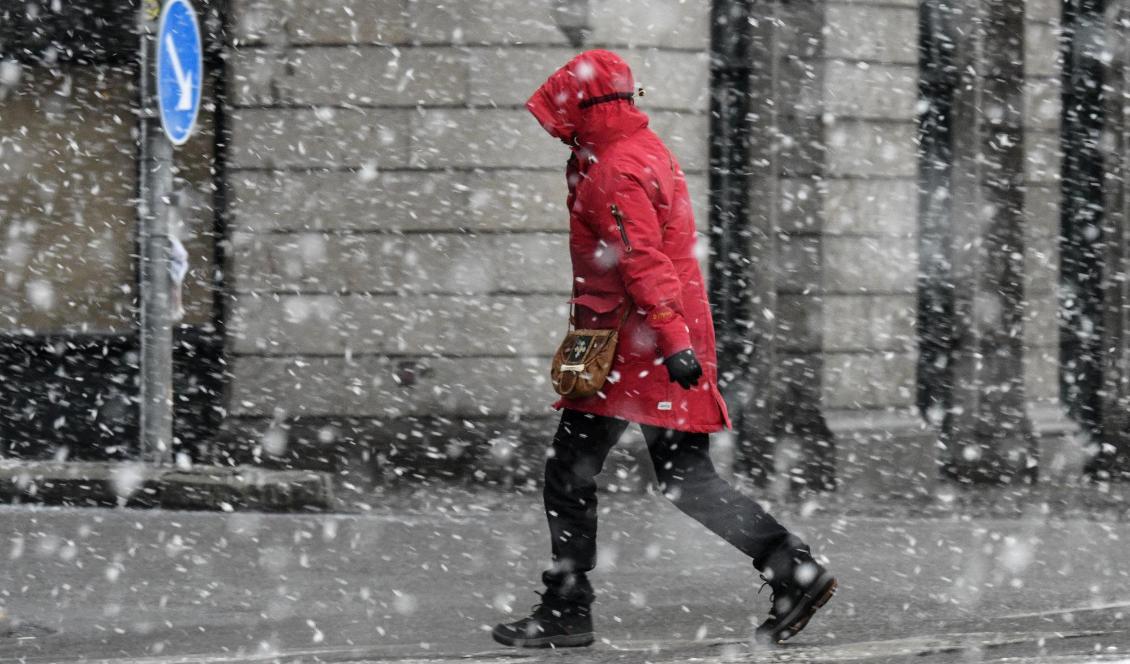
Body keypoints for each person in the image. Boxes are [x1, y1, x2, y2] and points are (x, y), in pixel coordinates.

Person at [490, 49, 836, 649]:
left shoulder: (612, 170)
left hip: (634, 349)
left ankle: (569, 606)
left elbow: (640, 261)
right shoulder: (642, 151)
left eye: (564, 111)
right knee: (686, 477)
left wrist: (671, 341)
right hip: (658, 339)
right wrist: (680, 340)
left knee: (569, 473)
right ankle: (791, 567)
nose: (558, 125)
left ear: (586, 108)